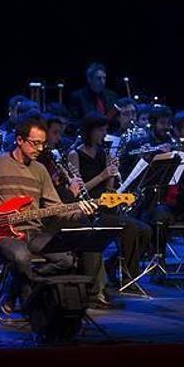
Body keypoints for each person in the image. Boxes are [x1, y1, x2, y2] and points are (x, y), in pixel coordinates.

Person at [0, 114, 97, 312]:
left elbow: (57, 209)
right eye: (35, 143)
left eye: (42, 144)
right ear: (19, 140)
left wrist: (81, 210)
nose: (40, 149)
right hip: (1, 234)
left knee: (66, 260)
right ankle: (29, 304)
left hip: (33, 232)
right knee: (21, 257)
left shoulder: (41, 170)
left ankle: (17, 291)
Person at [68, 114, 152, 292]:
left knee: (146, 230)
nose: (104, 135)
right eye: (100, 130)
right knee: (130, 228)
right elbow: (79, 190)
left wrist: (112, 174)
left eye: (105, 130)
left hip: (107, 203)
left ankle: (112, 267)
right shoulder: (75, 154)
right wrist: (103, 175)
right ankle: (129, 279)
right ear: (89, 131)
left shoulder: (103, 153)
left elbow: (109, 189)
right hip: (90, 207)